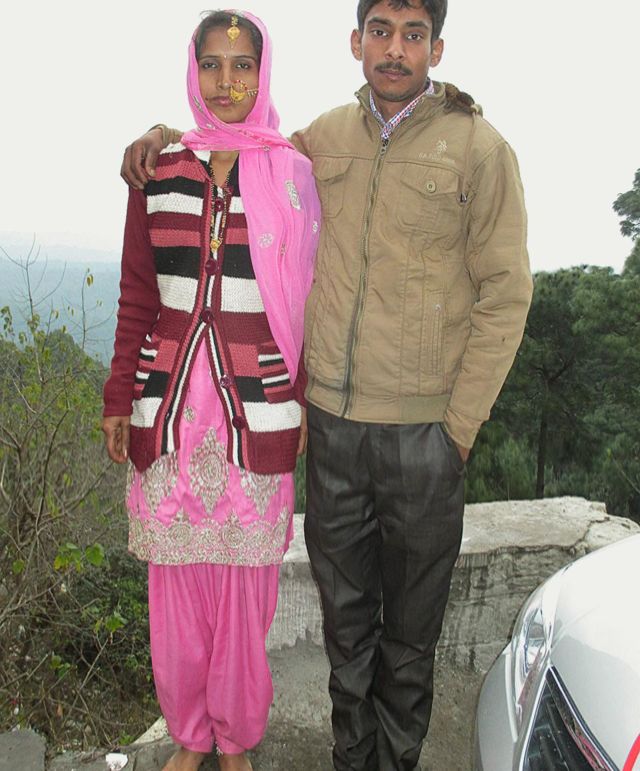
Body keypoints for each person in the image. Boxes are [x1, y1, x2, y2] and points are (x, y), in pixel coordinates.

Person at [120, 1, 533, 768]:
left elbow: (507, 293)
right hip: (334, 427)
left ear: (437, 47)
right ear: (357, 41)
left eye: (414, 34)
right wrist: (162, 133)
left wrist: (458, 429)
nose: (395, 49)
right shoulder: (321, 142)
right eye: (381, 31)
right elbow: (236, 139)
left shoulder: (478, 148)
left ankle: (393, 761)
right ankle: (351, 758)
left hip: (423, 432)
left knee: (409, 633)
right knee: (347, 626)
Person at [103, 10, 320, 771]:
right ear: (192, 72)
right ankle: (191, 736)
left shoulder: (292, 174)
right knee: (176, 596)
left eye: (243, 65)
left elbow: (309, 298)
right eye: (212, 65)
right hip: (168, 413)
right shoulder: (159, 171)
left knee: (245, 596)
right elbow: (138, 294)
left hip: (256, 414)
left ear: (264, 72)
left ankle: (236, 738)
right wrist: (117, 397)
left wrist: (302, 400)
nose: (227, 82)